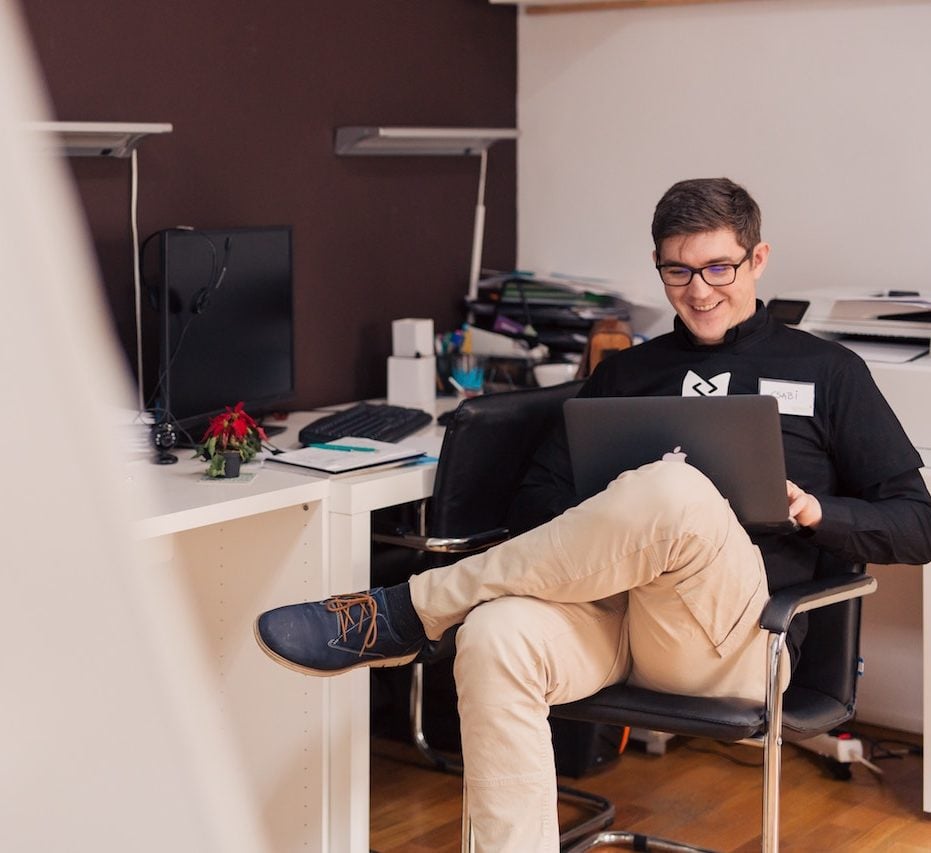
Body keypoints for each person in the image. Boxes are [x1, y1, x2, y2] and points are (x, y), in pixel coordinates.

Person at [255, 177, 931, 852]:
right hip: (607, 614)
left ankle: (408, 610)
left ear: (756, 260)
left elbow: (916, 522)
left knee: (675, 490)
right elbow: (536, 504)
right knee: (495, 633)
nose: (698, 290)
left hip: (735, 638)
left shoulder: (828, 371)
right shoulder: (625, 373)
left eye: (718, 267)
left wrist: (816, 511)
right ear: (659, 267)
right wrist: (611, 512)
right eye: (678, 270)